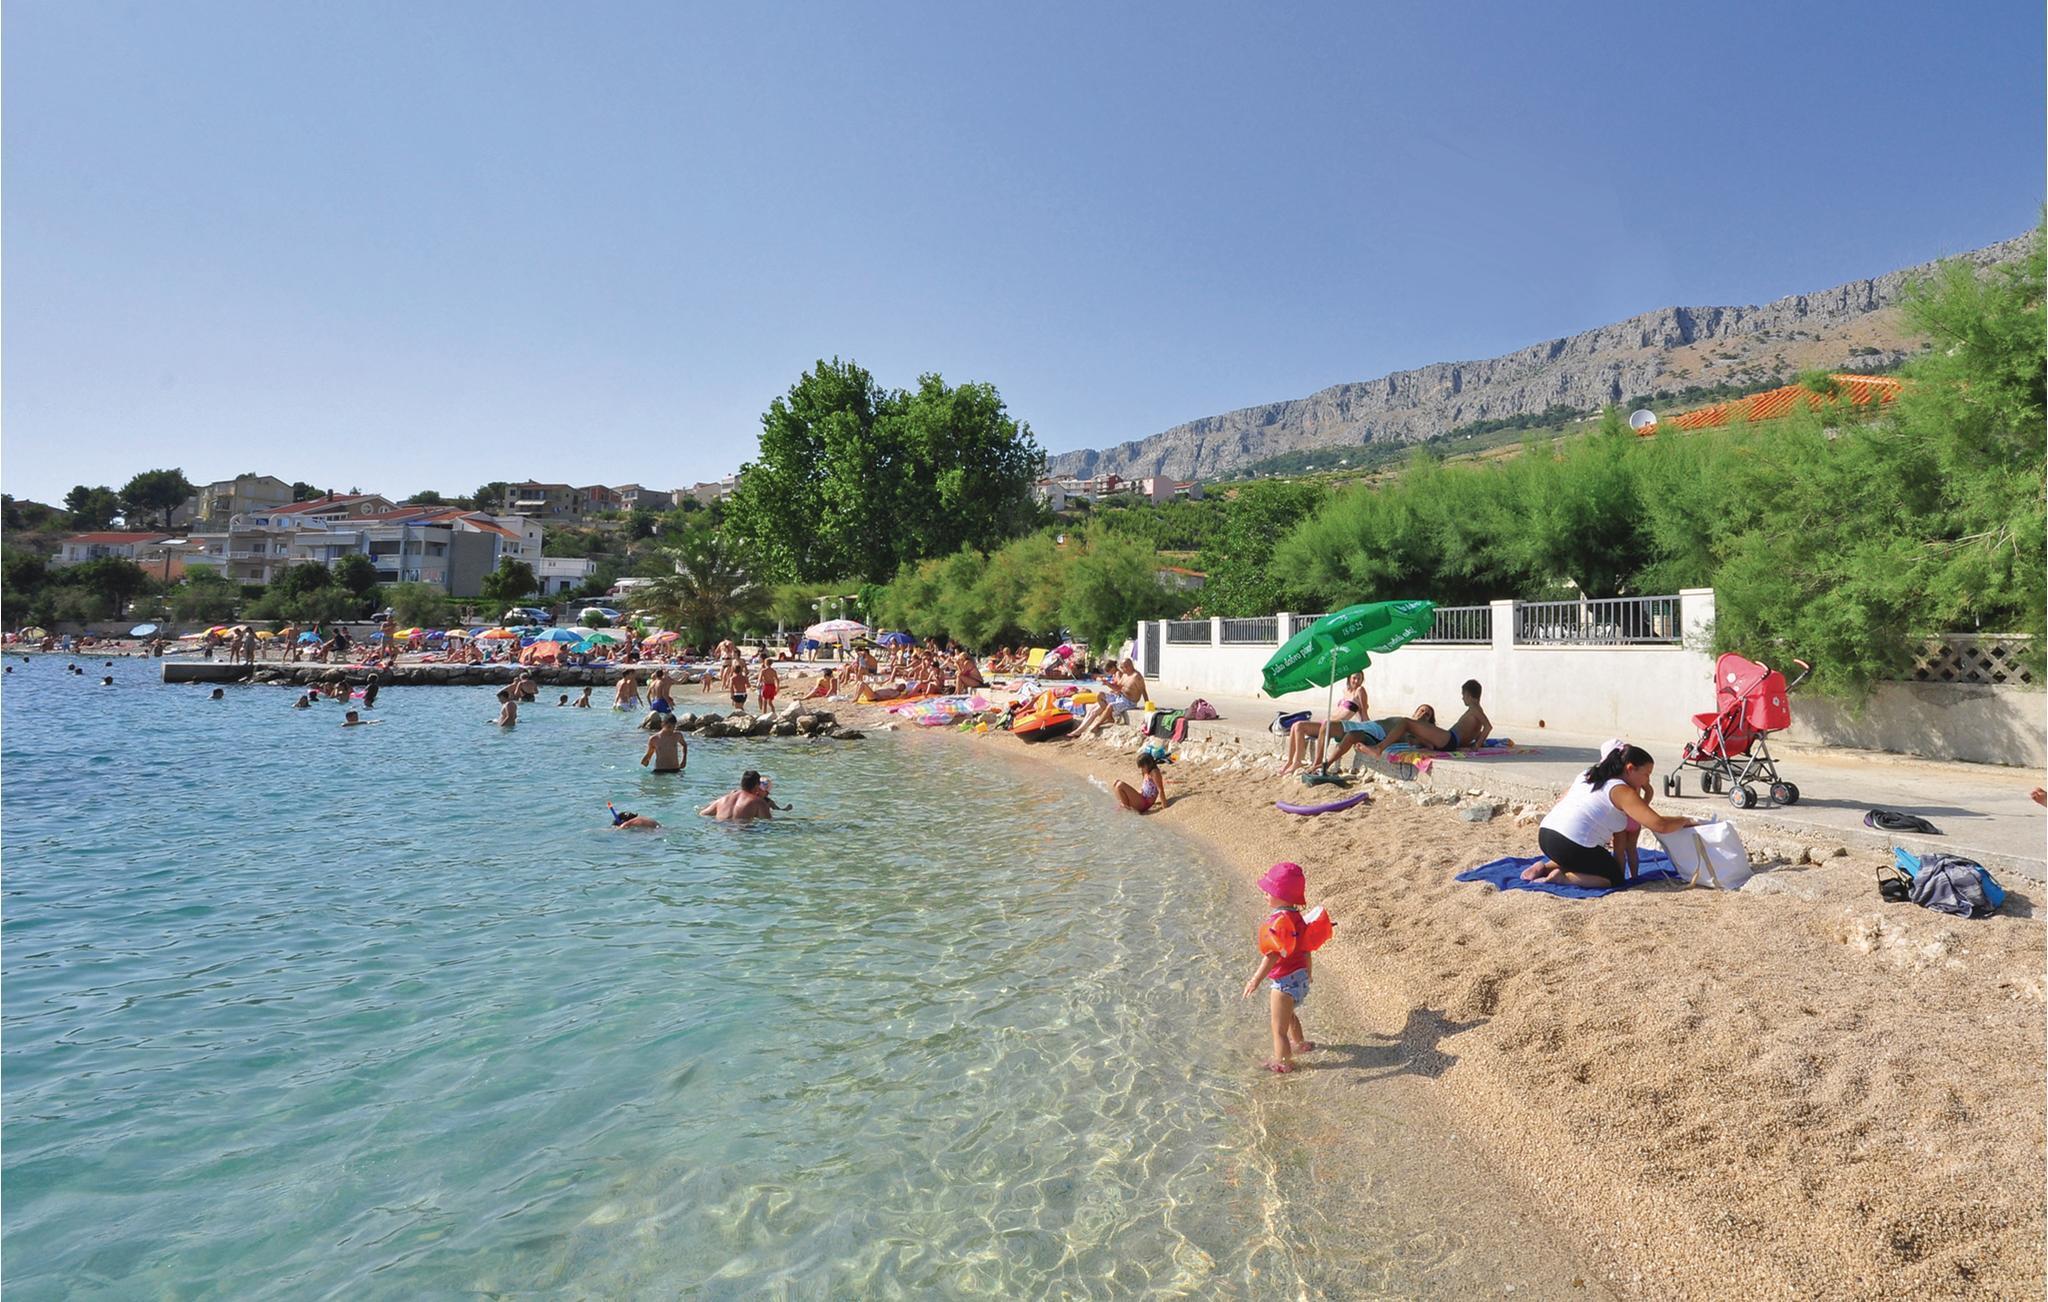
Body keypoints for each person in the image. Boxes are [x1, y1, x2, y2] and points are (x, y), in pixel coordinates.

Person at [1525, 743, 1702, 888]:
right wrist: (1685, 820)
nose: (1647, 780)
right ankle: (1563, 879)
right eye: (1646, 774)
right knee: (1613, 878)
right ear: (1630, 769)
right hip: (1571, 844)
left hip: (1546, 835)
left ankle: (1544, 867)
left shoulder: (1588, 774)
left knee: (1586, 860)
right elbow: (1659, 824)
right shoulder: (1621, 790)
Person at [1240, 862, 1325, 1074]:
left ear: (1282, 895)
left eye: (1269, 891)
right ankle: (1301, 1044)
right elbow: (1306, 949)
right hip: (1301, 979)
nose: (1265, 894)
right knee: (1289, 1016)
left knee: (1278, 1030)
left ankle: (1283, 1063)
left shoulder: (1279, 922)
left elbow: (1272, 955)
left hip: (1284, 984)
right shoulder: (1298, 918)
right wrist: (1309, 973)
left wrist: (1255, 980)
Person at [1357, 681, 1492, 759]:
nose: (1462, 698)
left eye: (1463, 695)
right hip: (1449, 741)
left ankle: (1378, 749)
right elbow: (1476, 732)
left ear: (1468, 694)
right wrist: (1475, 742)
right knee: (1413, 730)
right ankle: (1424, 742)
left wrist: (1477, 745)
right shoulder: (1476, 712)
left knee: (1405, 722)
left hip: (1449, 739)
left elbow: (1488, 727)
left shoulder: (1474, 708)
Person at [1277, 672, 1366, 777]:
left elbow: (1363, 712)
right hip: (1326, 722)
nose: (1356, 681)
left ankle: (1297, 761)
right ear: (1349, 678)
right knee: (1295, 725)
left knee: (1300, 726)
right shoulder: (1345, 691)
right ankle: (1290, 761)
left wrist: (1368, 727)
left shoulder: (1360, 691)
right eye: (1354, 678)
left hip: (1336, 726)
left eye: (1359, 678)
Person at [1072, 658, 1148, 741]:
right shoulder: (1125, 675)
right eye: (1121, 667)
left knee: (1110, 706)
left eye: (1123, 667)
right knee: (1100, 695)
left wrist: (1147, 704)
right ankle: (1109, 718)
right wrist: (1107, 683)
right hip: (1120, 696)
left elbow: (1143, 690)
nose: (1121, 669)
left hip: (1129, 701)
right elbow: (1118, 687)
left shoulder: (1137, 676)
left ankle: (1098, 724)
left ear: (1129, 666)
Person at [700, 769, 787, 821]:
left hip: (721, 830)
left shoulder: (723, 799)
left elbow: (703, 814)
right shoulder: (759, 802)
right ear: (757, 786)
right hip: (743, 832)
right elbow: (768, 822)